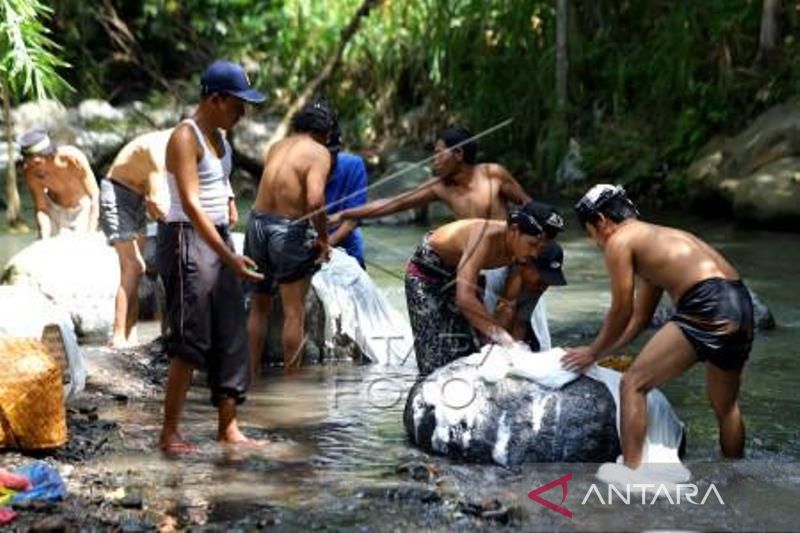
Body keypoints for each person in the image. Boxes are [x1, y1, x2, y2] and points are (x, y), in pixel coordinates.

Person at [561, 184, 754, 468]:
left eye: (591, 235)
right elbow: (639, 318)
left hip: (706, 306)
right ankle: (738, 477)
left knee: (632, 385)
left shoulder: (620, 241)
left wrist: (592, 351)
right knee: (726, 408)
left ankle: (632, 474)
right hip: (740, 303)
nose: (597, 243)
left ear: (601, 221)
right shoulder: (656, 238)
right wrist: (604, 351)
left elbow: (621, 309)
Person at [157, 60, 266, 453]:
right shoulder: (185, 137)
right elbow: (189, 201)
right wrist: (229, 256)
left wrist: (231, 203)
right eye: (238, 103)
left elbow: (217, 185)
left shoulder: (221, 139)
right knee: (191, 337)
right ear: (215, 98)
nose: (243, 112)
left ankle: (229, 428)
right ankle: (169, 432)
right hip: (187, 237)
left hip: (217, 237)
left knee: (231, 332)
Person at [406, 201, 564, 375]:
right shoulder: (482, 238)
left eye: (540, 248)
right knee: (434, 362)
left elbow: (510, 305)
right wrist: (504, 339)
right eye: (532, 245)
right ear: (514, 229)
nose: (535, 253)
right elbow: (465, 299)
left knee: (467, 355)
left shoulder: (524, 252)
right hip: (427, 276)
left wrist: (516, 353)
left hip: (462, 277)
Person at [245, 100, 334, 376]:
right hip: (287, 229)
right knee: (293, 311)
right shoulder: (319, 152)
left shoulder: (277, 146)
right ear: (325, 132)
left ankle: (251, 376)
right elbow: (316, 199)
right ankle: (291, 386)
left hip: (256, 224)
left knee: (259, 306)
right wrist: (322, 237)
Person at [331, 125, 531, 223]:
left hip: (507, 257)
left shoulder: (493, 174)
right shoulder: (439, 187)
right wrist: (344, 213)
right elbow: (394, 204)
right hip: (477, 262)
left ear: (458, 154)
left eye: (438, 153)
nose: (433, 160)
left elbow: (528, 205)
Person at [100, 128, 172, 347]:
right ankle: (118, 335)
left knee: (134, 272)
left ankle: (130, 334)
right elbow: (157, 202)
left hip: (135, 195)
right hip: (117, 193)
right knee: (133, 267)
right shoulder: (157, 148)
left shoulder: (173, 143)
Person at [18, 130, 99, 238]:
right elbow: (41, 208)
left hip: (81, 208)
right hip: (54, 210)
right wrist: (44, 237)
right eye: (30, 164)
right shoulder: (30, 172)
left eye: (38, 163)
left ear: (49, 155)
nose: (36, 168)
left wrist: (91, 230)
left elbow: (94, 195)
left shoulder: (72, 159)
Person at [493, 242, 567, 351]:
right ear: (525, 264)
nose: (544, 287)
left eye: (548, 283)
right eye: (541, 280)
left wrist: (517, 353)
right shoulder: (493, 275)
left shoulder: (535, 287)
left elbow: (520, 324)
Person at [324, 123, 368, 268]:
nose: (329, 160)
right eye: (325, 154)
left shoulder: (354, 165)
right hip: (309, 243)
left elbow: (352, 220)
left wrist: (326, 245)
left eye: (333, 153)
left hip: (348, 246)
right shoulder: (303, 167)